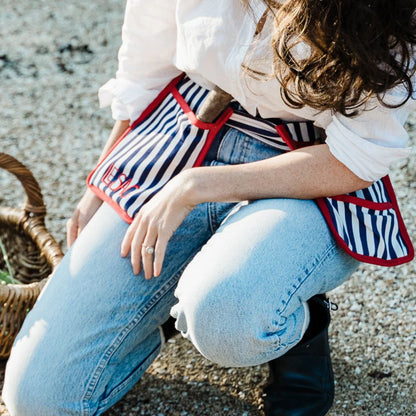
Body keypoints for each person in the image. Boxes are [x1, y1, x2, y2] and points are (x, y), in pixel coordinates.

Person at [3, 0, 415, 415]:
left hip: (308, 166)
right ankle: (172, 297)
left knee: (226, 319)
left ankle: (296, 321)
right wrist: (104, 180)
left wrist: (198, 185)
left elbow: (360, 154)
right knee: (38, 401)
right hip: (186, 130)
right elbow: (148, 57)